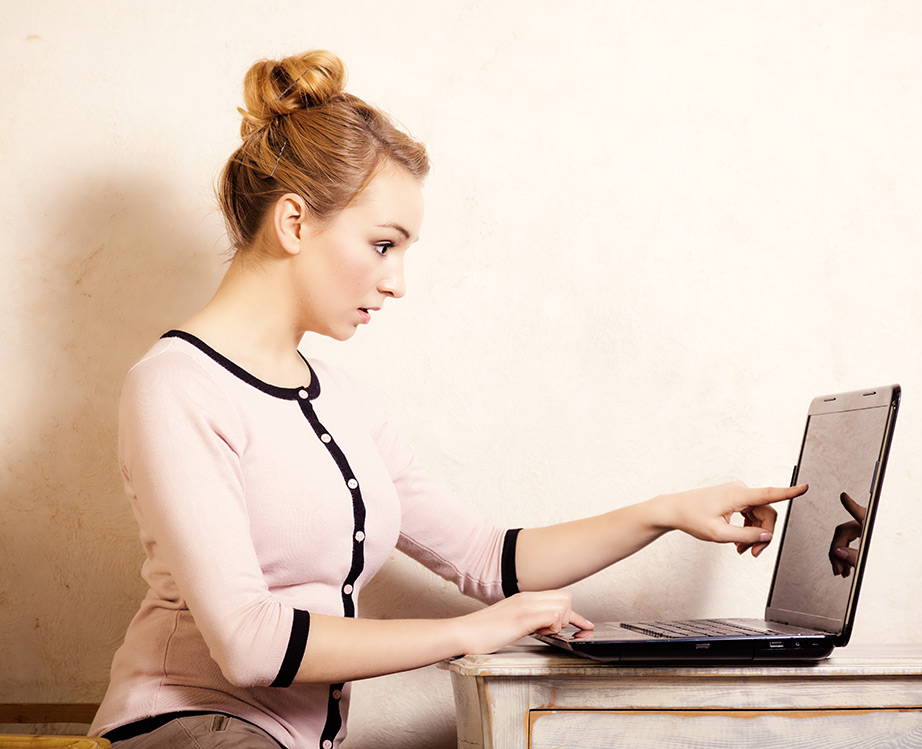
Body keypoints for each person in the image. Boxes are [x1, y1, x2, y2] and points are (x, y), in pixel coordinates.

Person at [91, 50, 808, 749]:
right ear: (294, 223)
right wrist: (470, 634)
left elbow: (484, 559)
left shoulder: (340, 398)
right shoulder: (175, 385)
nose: (397, 280)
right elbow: (248, 644)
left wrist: (667, 512)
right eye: (383, 244)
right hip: (192, 726)